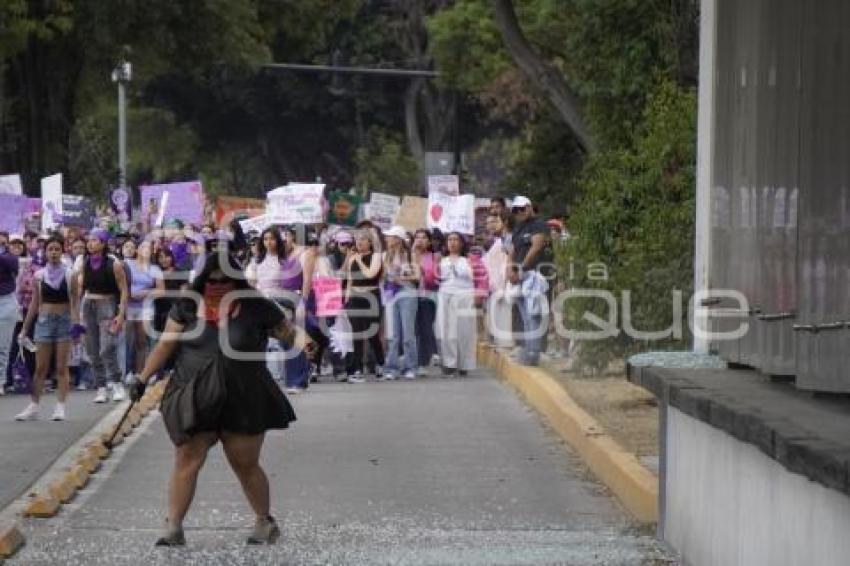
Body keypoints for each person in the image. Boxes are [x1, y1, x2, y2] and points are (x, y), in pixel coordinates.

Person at [131, 252, 297, 546]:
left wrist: (306, 343)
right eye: (212, 279)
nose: (218, 285)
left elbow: (288, 334)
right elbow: (165, 346)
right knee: (187, 459)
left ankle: (264, 520)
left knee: (244, 462)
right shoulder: (186, 305)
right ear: (202, 278)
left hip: (244, 394)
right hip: (194, 393)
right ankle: (173, 526)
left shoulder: (256, 305)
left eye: (225, 279)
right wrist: (142, 378)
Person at [14, 236, 77, 421]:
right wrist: (25, 328)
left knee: (61, 367)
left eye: (57, 249)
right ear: (45, 252)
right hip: (44, 322)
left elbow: (75, 302)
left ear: (62, 251)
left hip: (64, 321)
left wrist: (77, 326)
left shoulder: (70, 274)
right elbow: (34, 303)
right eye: (51, 249)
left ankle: (60, 406)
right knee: (40, 367)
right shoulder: (39, 275)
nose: (54, 253)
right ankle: (34, 405)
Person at [77, 229, 129, 403]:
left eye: (95, 240)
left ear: (104, 243)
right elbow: (80, 288)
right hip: (88, 305)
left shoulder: (114, 264)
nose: (90, 243)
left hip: (107, 305)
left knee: (107, 347)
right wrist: (76, 312)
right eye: (89, 240)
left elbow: (123, 289)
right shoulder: (85, 262)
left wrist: (121, 314)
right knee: (92, 349)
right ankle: (101, 387)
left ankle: (116, 383)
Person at [507, 196, 552, 366]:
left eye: (522, 208)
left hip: (534, 274)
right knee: (524, 315)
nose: (520, 212)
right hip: (519, 277)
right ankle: (528, 350)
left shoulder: (539, 225)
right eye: (516, 210)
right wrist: (510, 269)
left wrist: (521, 268)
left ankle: (534, 352)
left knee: (533, 314)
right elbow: (512, 251)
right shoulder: (518, 228)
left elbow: (537, 246)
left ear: (529, 207)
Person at [343, 229, 384, 382]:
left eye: (363, 239)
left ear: (370, 242)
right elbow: (349, 280)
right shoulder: (352, 257)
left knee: (372, 332)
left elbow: (370, 274)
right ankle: (357, 368)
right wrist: (346, 300)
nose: (359, 242)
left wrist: (359, 260)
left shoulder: (376, 256)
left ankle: (380, 363)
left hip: (371, 296)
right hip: (355, 297)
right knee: (357, 333)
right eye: (358, 239)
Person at [381, 226, 420, 380]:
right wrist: (388, 269)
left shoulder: (411, 255)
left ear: (398, 239)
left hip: (408, 293)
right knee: (394, 334)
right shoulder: (387, 255)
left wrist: (402, 278)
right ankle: (392, 368)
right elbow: (384, 276)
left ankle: (411, 367)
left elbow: (417, 276)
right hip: (392, 294)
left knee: (408, 334)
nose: (387, 239)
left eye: (390, 236)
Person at [436, 232, 476, 376]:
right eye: (450, 240)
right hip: (445, 293)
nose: (452, 243)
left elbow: (474, 276)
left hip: (464, 294)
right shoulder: (441, 260)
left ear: (461, 243)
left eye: (456, 240)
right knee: (446, 329)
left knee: (464, 329)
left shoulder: (468, 259)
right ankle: (449, 362)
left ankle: (465, 362)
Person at [125, 239, 164, 375]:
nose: (146, 249)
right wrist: (129, 294)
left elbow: (161, 290)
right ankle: (125, 372)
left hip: (146, 308)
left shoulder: (155, 269)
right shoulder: (128, 265)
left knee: (141, 342)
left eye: (149, 247)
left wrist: (145, 293)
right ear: (137, 250)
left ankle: (138, 373)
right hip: (128, 306)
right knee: (127, 341)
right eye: (143, 247)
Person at [483, 213, 513, 349]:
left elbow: (506, 261)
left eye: (497, 221)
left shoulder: (508, 239)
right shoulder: (498, 240)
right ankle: (498, 340)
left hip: (504, 282)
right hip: (494, 284)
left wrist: (505, 282)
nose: (494, 225)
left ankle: (506, 342)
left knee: (505, 314)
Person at [412, 229, 439, 373]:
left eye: (424, 238)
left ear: (429, 241)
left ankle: (427, 358)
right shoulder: (409, 256)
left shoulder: (434, 257)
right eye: (418, 237)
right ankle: (416, 362)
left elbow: (434, 278)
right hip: (411, 296)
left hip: (428, 296)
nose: (420, 240)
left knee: (425, 327)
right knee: (414, 329)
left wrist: (422, 270)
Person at [0, 234, 20, 397]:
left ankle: (0, 381)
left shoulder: (9, 257)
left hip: (5, 302)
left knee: (2, 346)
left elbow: (13, 266)